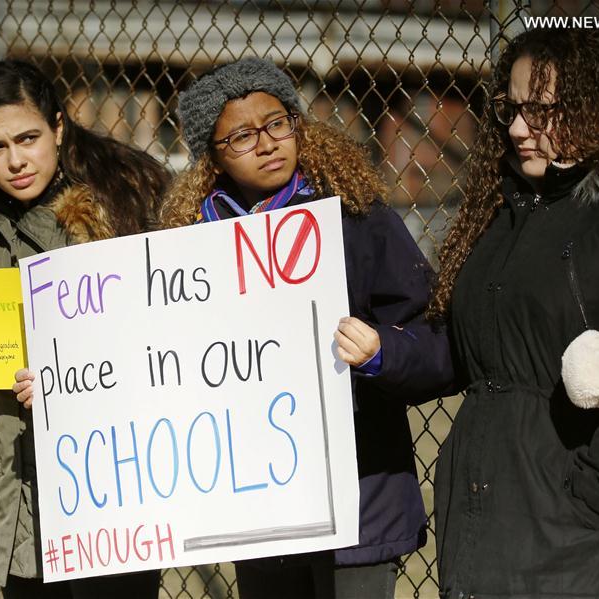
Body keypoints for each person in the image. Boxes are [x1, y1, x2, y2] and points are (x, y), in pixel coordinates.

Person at [156, 56, 454, 599]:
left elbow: (440, 345)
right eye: (242, 135)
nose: (267, 142)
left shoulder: (359, 222)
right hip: (254, 511)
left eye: (277, 123)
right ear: (213, 159)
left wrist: (382, 351)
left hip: (358, 503)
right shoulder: (188, 254)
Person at [0, 59, 169, 598]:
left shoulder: (128, 200)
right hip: (14, 471)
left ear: (59, 128)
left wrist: (72, 384)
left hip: (112, 472)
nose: (16, 160)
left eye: (29, 138)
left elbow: (169, 338)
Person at [429, 27, 599, 597]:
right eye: (511, 109)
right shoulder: (506, 207)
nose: (518, 130)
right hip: (485, 520)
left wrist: (587, 495)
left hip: (580, 539)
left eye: (541, 111)